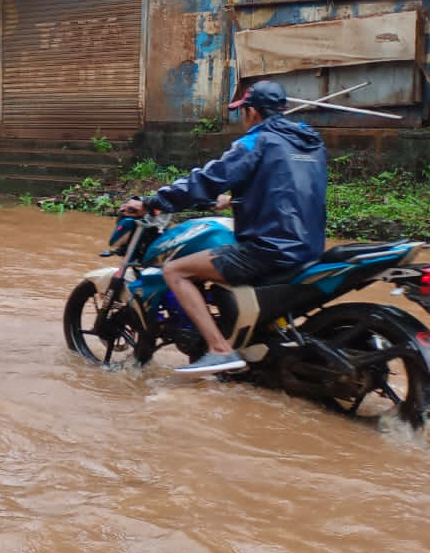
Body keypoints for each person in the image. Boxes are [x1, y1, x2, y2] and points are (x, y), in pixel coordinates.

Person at [119, 80, 327, 376]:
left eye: (242, 111)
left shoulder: (256, 142)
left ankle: (219, 350)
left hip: (269, 249)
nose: (242, 117)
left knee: (174, 271)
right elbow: (290, 188)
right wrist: (239, 198)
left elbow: (206, 180)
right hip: (309, 246)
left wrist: (153, 201)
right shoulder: (310, 142)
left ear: (252, 112)